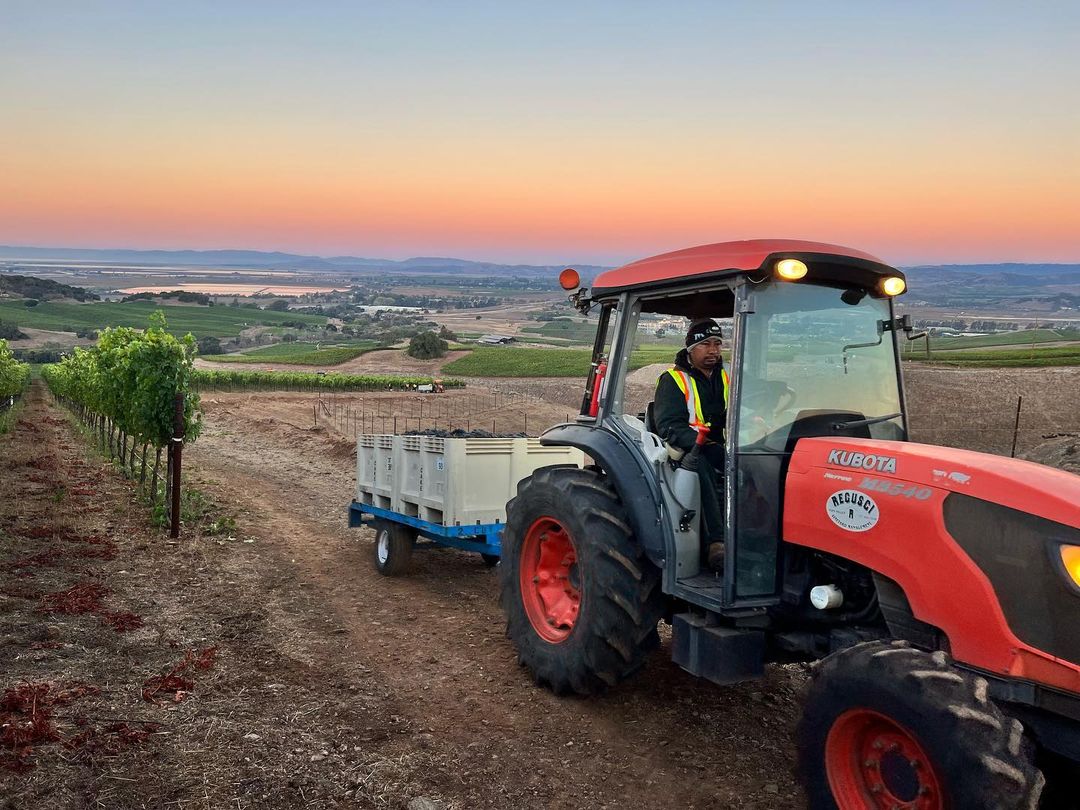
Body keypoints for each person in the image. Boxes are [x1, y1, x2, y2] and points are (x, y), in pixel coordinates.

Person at [653, 319, 729, 570]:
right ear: (691, 349)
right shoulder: (673, 380)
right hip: (688, 446)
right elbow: (669, 425)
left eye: (717, 343)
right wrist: (704, 443)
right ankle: (716, 541)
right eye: (706, 344)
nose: (713, 350)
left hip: (721, 443)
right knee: (703, 466)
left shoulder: (726, 375)